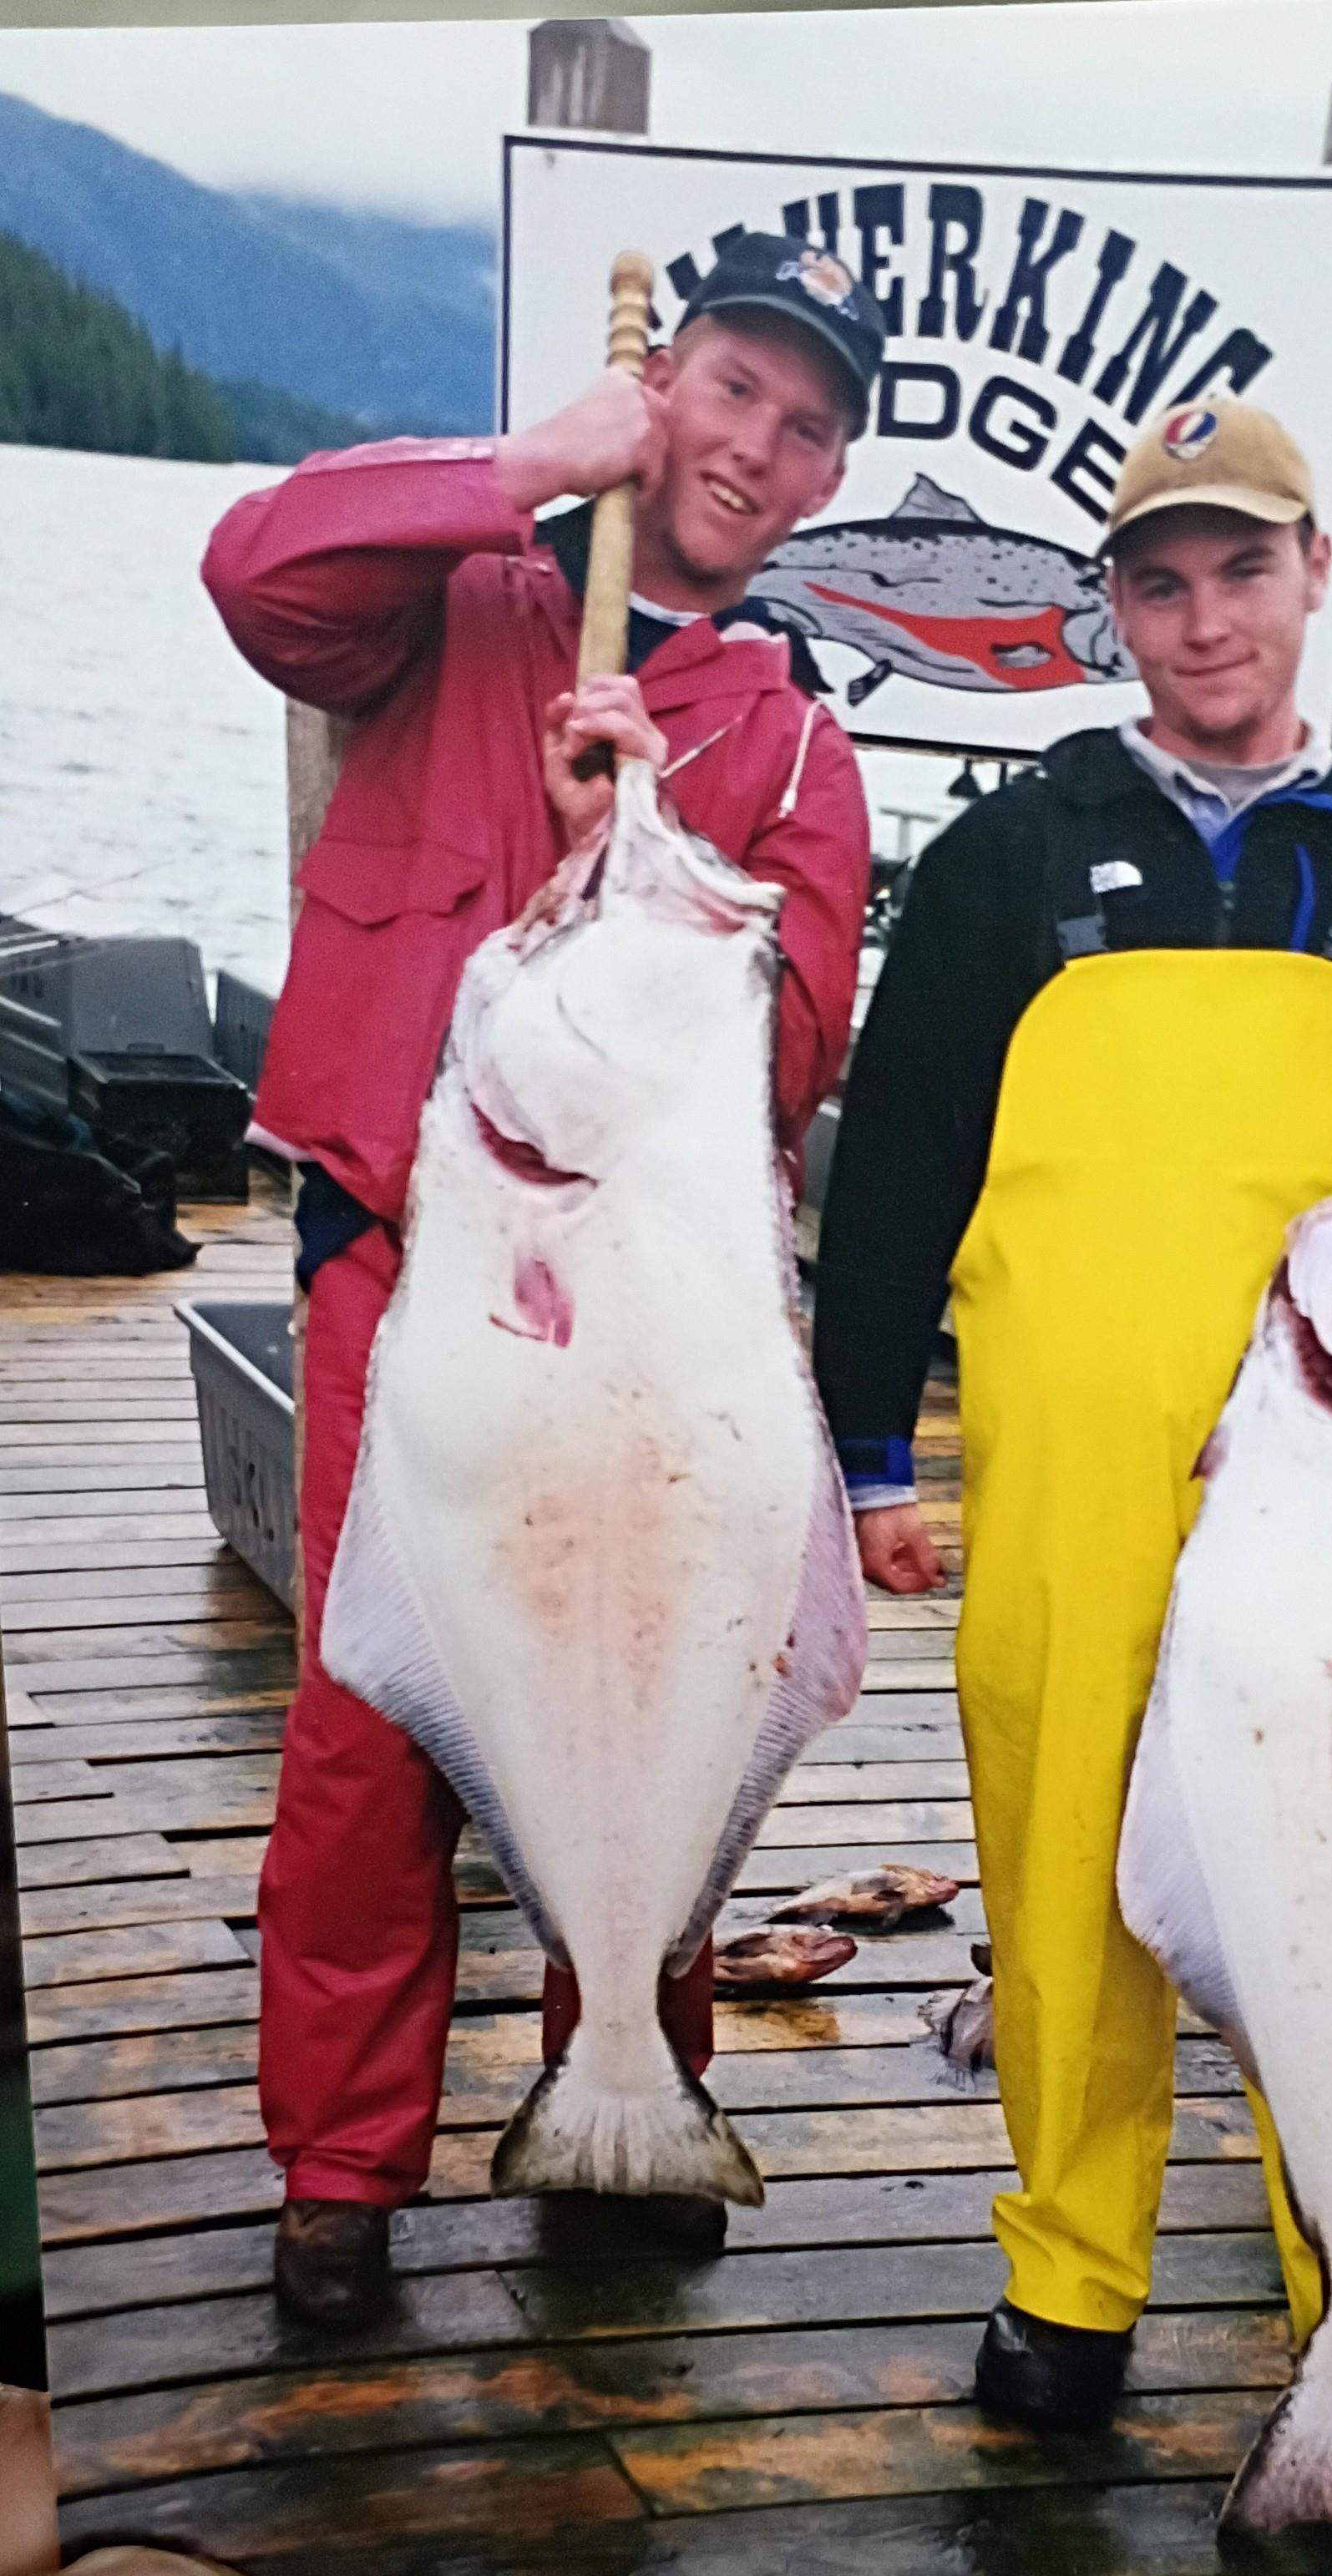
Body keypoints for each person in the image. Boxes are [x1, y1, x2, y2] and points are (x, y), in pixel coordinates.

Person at [812, 398, 1332, 2576]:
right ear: (1111, 608)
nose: (1199, 621)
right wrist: (865, 1443)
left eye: (1235, 573)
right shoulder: (1006, 853)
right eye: (1154, 582)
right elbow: (893, 1171)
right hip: (1065, 1474)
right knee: (1058, 1882)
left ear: (1309, 571)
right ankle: (1067, 2277)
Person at [203, 234, 885, 2333]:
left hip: (658, 1313)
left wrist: (655, 851)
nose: (753, 447)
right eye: (729, 392)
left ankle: (634, 2083)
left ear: (827, 476)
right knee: (362, 1730)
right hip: (410, 1273)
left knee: (665, 1697)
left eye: (804, 426)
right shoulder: (461, 590)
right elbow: (261, 581)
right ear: (657, 387)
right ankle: (340, 2158)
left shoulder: (789, 741)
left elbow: (801, 1045)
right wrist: (517, 466)